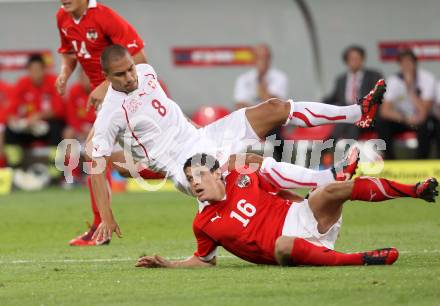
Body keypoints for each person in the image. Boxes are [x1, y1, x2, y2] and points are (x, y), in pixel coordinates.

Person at [90, 45, 386, 243]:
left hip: (203, 136)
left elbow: (165, 109)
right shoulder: (111, 114)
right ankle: (329, 178)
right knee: (249, 168)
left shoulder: (145, 72)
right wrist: (106, 216)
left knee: (275, 108)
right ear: (106, 78)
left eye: (130, 68)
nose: (130, 77)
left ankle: (359, 112)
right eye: (120, 74)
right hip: (185, 167)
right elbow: (96, 166)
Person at [135, 153, 438, 268]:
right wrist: (168, 264)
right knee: (282, 245)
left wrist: (303, 201)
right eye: (190, 179)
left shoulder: (244, 176)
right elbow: (204, 261)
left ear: (217, 173)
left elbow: (277, 190)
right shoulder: (203, 223)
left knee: (331, 190)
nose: (194, 182)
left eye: (200, 175)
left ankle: (416, 190)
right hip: (287, 248)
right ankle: (362, 259)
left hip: (303, 217)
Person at [55, 0, 149, 245]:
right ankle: (101, 226)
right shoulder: (62, 18)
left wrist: (105, 86)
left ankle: (101, 228)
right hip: (106, 100)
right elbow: (69, 52)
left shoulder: (106, 17)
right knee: (107, 160)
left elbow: (139, 59)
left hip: (125, 95)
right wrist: (65, 72)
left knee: (93, 154)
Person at [378, 49, 436, 159]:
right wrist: (405, 118)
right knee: (382, 123)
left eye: (409, 62)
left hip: (420, 119)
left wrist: (410, 89)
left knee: (426, 124)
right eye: (403, 63)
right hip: (402, 118)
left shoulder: (427, 78)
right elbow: (384, 111)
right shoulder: (393, 80)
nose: (407, 66)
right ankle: (390, 161)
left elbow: (424, 112)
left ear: (415, 63)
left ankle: (422, 162)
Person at [234, 44, 288, 161]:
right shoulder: (243, 79)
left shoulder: (279, 78)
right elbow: (239, 106)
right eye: (259, 57)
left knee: (276, 138)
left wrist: (262, 85)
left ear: (270, 59)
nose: (262, 61)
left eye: (265, 57)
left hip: (271, 124)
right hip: (250, 122)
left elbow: (275, 105)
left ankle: (278, 165)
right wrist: (261, 107)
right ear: (254, 59)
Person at [5, 54, 65, 155]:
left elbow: (59, 110)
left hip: (47, 125)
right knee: (9, 130)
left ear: (44, 69)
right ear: (28, 71)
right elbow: (12, 108)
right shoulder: (22, 83)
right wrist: (13, 118)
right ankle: (15, 166)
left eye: (38, 70)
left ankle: (54, 166)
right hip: (27, 126)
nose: (35, 74)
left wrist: (39, 116)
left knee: (56, 128)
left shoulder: (53, 82)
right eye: (32, 71)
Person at [324, 45, 383, 140]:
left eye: (357, 58)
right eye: (351, 58)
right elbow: (333, 97)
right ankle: (333, 145)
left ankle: (331, 145)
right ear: (346, 61)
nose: (354, 61)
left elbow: (378, 97)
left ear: (362, 59)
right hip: (346, 114)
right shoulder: (341, 79)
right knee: (346, 119)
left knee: (351, 120)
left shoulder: (373, 76)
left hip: (366, 115)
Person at [0, 79, 12, 167]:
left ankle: (2, 166)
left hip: (3, 123)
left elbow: (9, 110)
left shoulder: (6, 89)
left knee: (0, 128)